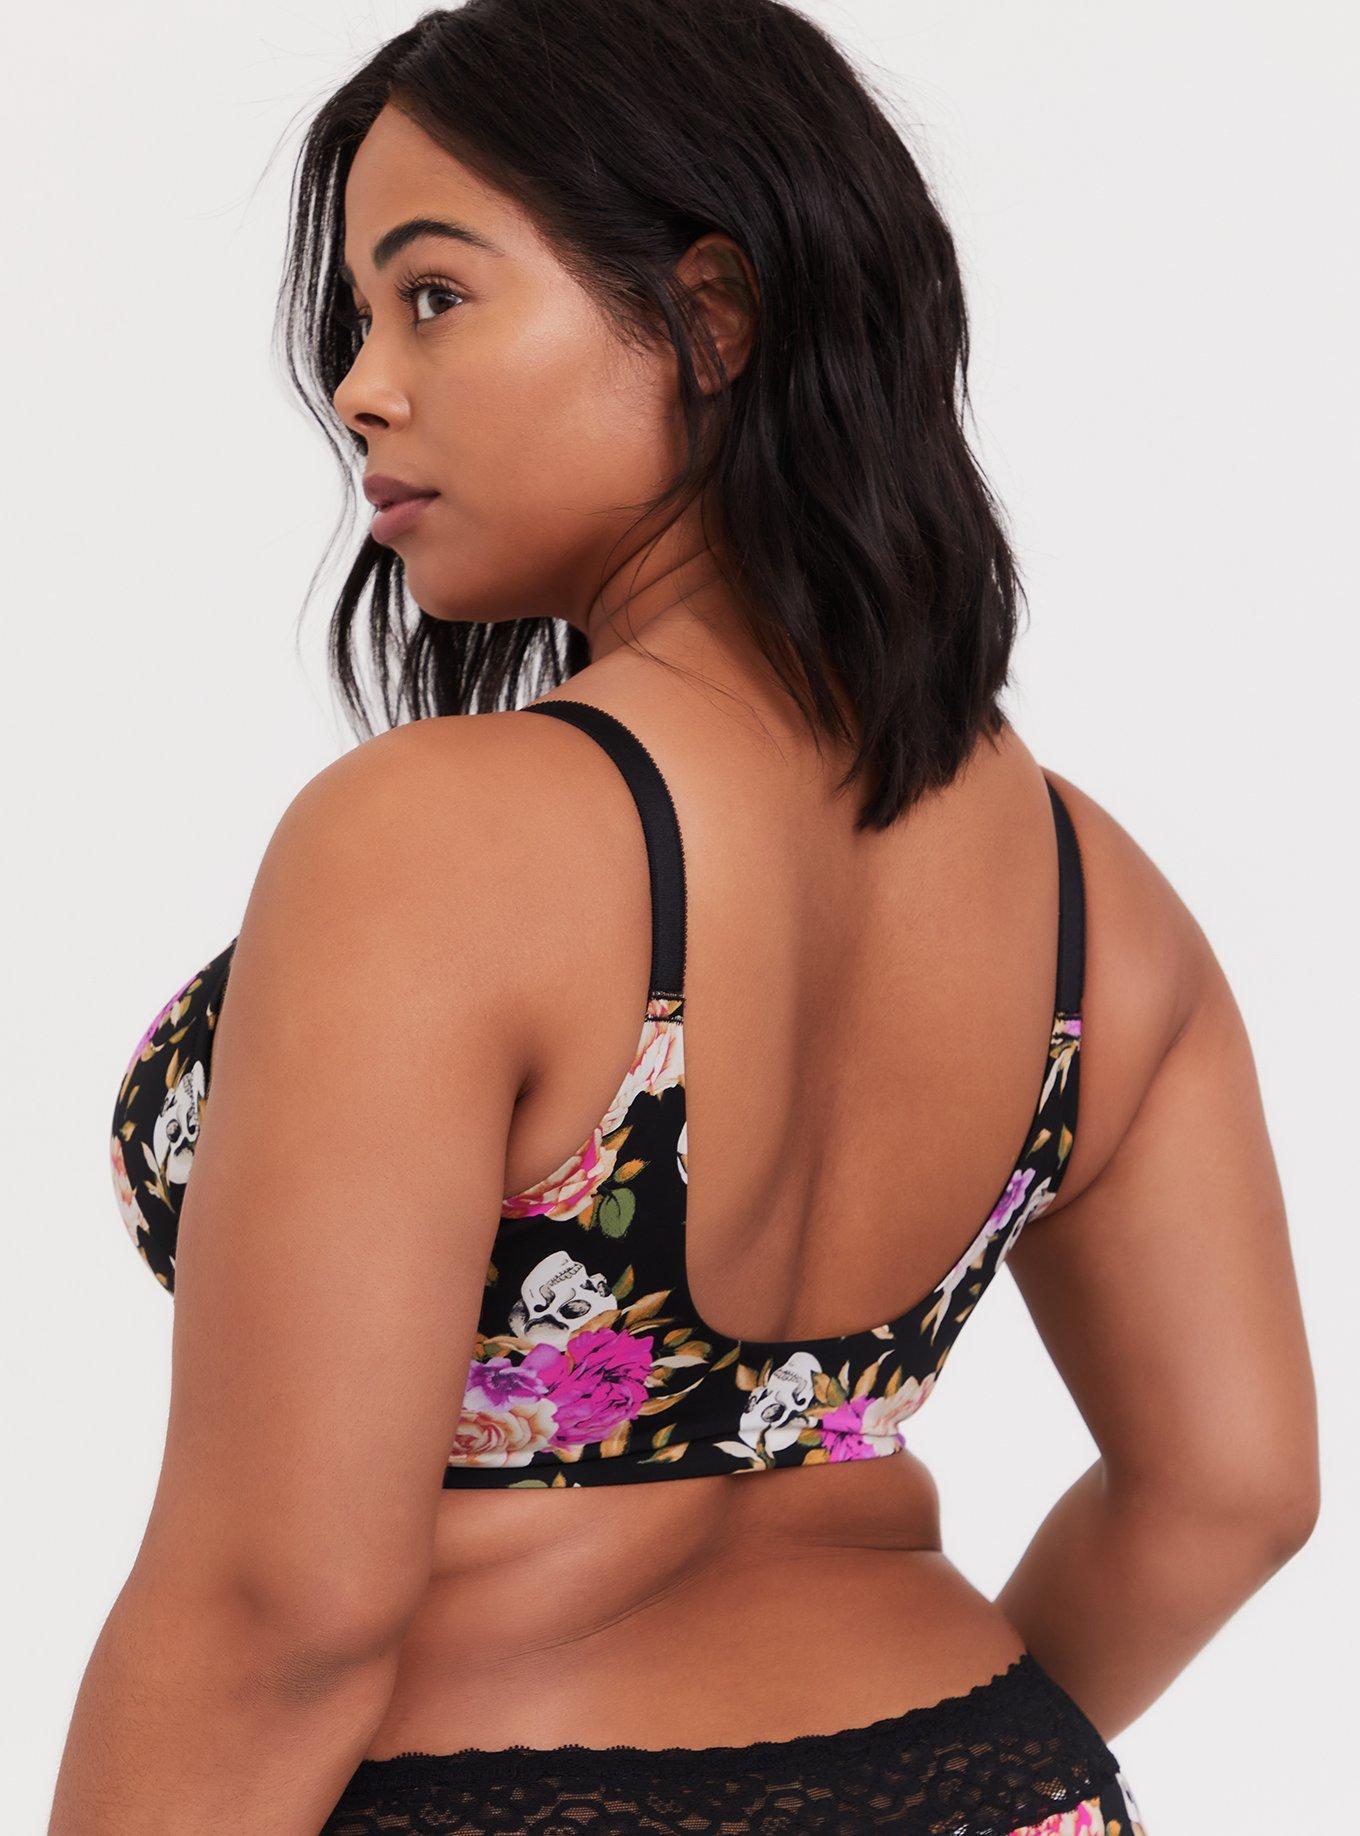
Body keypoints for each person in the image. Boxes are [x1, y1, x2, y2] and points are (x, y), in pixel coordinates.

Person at [52, 1, 1317, 1830]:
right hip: (989, 1777)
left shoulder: (432, 841)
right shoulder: (1092, 894)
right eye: (356, 319)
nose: (360, 388)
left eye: (433, 296)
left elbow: (279, 1619)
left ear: (713, 317)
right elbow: (1233, 1488)